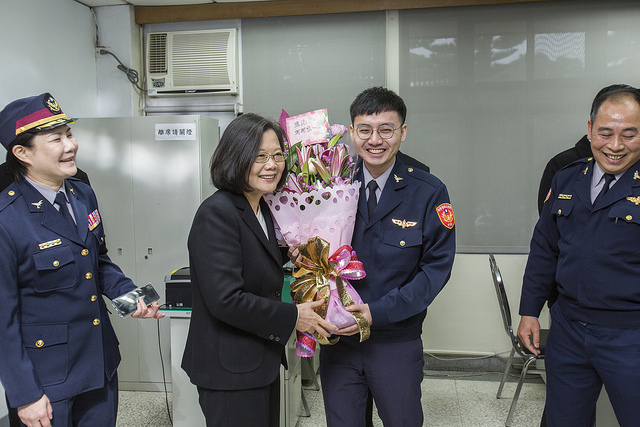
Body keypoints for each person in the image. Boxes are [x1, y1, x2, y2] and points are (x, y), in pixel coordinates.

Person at [0, 93, 163, 427]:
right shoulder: (7, 219)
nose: (70, 145)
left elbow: (97, 260)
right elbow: (2, 318)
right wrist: (25, 394)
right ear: (22, 152)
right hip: (47, 379)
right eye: (56, 139)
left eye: (69, 134)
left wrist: (129, 296)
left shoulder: (80, 193)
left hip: (99, 363)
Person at [181, 113, 337, 426]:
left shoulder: (262, 206)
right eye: (260, 156)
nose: (272, 165)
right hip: (229, 369)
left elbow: (252, 260)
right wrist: (295, 316)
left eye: (278, 155)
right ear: (235, 157)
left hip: (257, 360)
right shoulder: (217, 213)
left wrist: (289, 252)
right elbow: (226, 299)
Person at [319, 86, 456, 426]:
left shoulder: (427, 190)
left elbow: (435, 270)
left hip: (394, 340)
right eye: (364, 130)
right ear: (352, 133)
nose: (374, 140)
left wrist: (375, 313)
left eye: (386, 130)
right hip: (339, 343)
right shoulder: (330, 184)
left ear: (402, 133)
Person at [517, 84, 640, 426]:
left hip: (630, 335)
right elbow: (545, 249)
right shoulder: (568, 178)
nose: (615, 146)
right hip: (569, 330)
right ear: (589, 130)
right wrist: (529, 311)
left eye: (629, 134)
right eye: (605, 133)